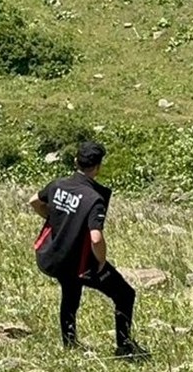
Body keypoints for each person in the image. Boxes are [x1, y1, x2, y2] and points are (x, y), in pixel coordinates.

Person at [29, 141, 150, 360]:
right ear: (98, 167)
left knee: (70, 291)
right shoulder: (95, 198)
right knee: (125, 294)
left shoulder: (57, 185)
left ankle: (69, 343)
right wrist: (101, 261)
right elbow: (96, 238)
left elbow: (35, 201)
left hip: (57, 256)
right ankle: (123, 346)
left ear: (76, 161)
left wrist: (53, 218)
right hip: (81, 262)